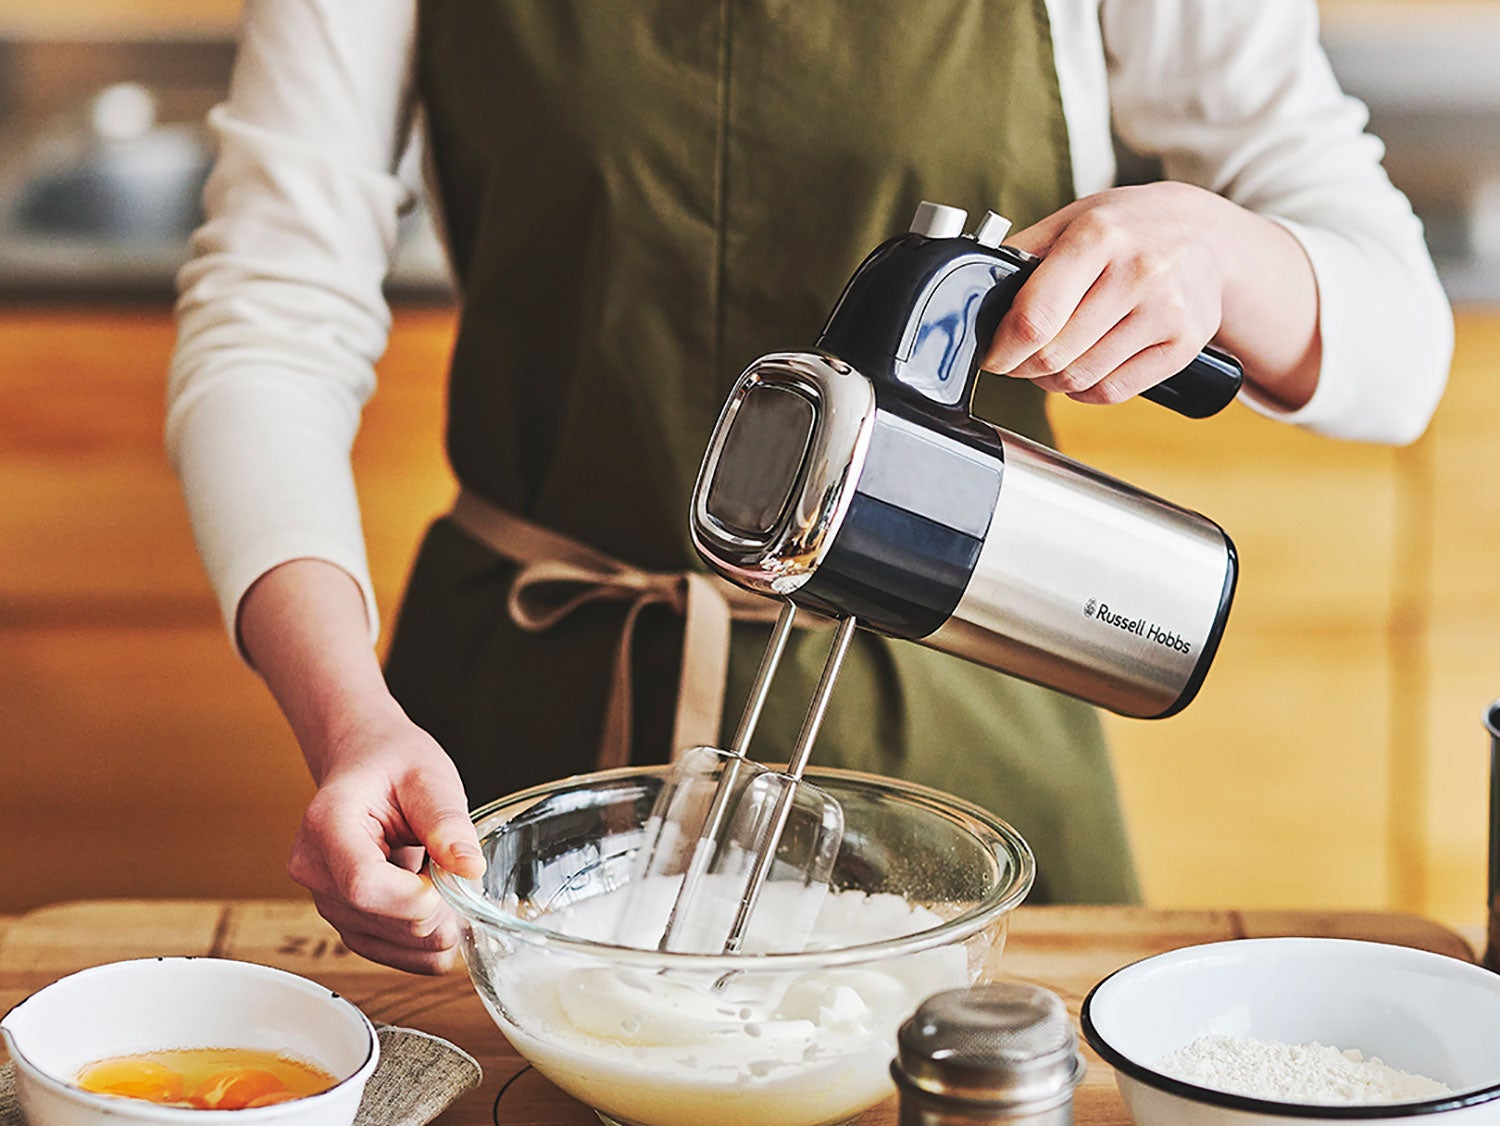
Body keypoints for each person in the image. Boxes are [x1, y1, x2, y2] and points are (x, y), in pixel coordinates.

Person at [168, 1, 1452, 975]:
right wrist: (348, 721)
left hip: (956, 739)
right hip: (501, 757)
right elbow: (268, 315)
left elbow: (1403, 346)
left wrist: (1221, 251)